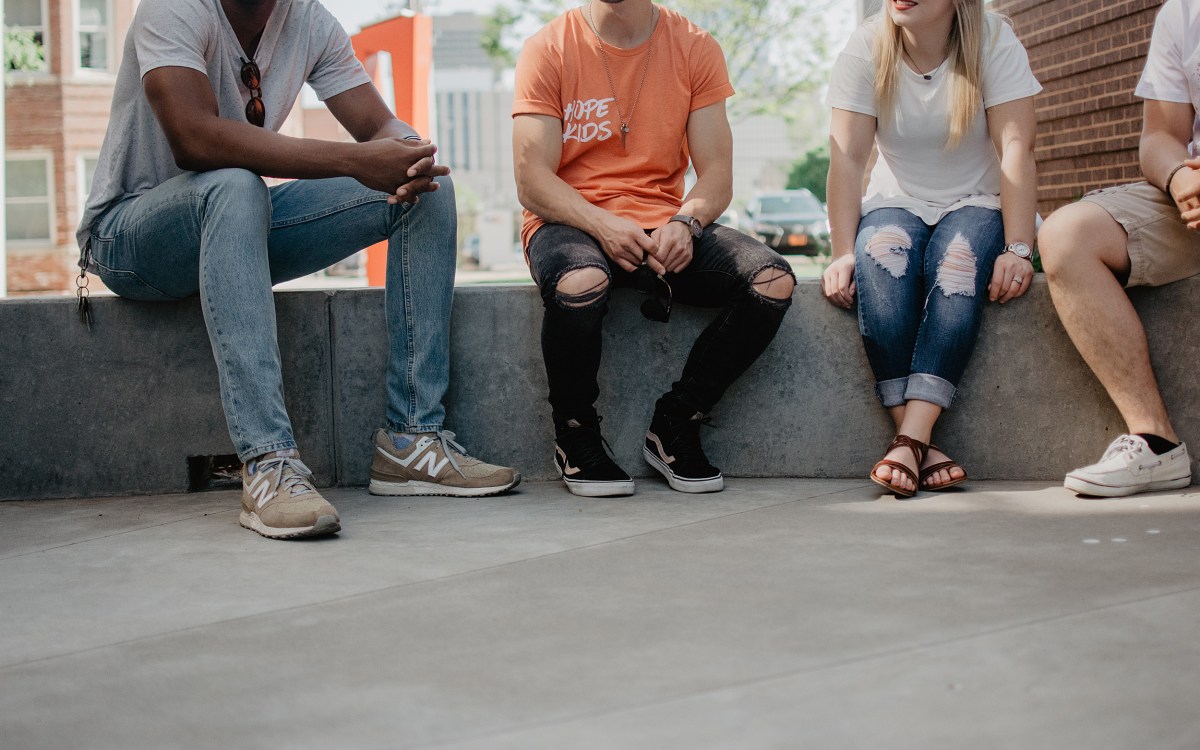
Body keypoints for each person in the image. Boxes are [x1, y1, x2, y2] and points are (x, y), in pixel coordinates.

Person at [77, 0, 519, 540]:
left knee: (427, 193)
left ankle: (412, 441)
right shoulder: (175, 8)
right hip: (131, 240)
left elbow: (377, 123)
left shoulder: (307, 20)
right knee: (235, 183)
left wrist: (408, 154)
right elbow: (195, 139)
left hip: (237, 224)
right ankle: (268, 463)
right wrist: (353, 160)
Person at [511, 0, 795, 497]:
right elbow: (532, 180)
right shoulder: (548, 48)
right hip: (571, 220)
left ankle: (676, 421)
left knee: (770, 281)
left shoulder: (695, 46)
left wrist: (687, 221)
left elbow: (717, 175)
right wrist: (602, 223)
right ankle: (575, 434)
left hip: (663, 223)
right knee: (580, 282)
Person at [821, 0, 1040, 497]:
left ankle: (908, 440)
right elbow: (849, 160)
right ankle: (919, 441)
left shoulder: (993, 40)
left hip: (979, 201)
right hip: (896, 198)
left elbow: (1016, 149)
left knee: (957, 264)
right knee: (879, 255)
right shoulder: (866, 46)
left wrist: (1019, 246)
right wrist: (841, 252)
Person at [1037, 0, 1199, 497]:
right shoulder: (1184, 13)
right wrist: (1179, 180)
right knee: (1068, 234)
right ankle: (1156, 443)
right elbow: (1160, 137)